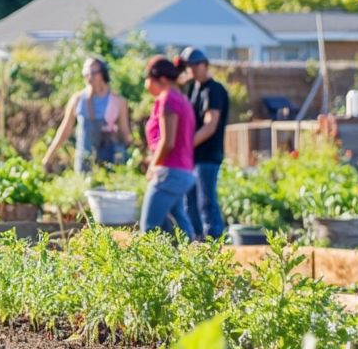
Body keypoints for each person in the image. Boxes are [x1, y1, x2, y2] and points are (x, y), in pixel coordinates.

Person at [41, 57, 131, 173]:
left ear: (103, 74)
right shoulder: (78, 99)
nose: (89, 77)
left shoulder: (118, 101)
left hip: (111, 160)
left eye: (93, 73)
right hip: (85, 161)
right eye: (86, 73)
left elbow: (125, 133)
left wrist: (133, 156)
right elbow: (64, 131)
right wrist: (48, 157)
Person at [139, 56, 197, 237]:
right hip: (181, 171)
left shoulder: (168, 99)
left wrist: (152, 166)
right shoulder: (181, 99)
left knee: (149, 228)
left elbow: (167, 141)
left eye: (148, 80)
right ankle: (195, 261)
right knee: (179, 227)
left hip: (169, 172)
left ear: (161, 79)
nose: (146, 85)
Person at [178, 47, 229, 240]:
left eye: (192, 66)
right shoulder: (195, 88)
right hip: (194, 156)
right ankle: (196, 239)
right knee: (189, 201)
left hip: (207, 155)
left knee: (205, 201)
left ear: (203, 65)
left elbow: (210, 126)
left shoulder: (213, 90)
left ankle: (213, 241)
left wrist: (185, 146)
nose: (189, 70)